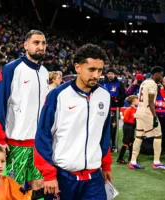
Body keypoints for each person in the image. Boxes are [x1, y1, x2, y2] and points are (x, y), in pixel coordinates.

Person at [35, 44, 112, 200]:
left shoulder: (104, 96)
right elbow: (43, 136)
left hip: (94, 179)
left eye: (100, 70)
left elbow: (104, 135)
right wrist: (49, 174)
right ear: (78, 67)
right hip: (63, 177)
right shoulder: (57, 95)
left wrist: (106, 165)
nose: (96, 75)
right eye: (91, 70)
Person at [0, 30, 49, 189]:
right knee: (12, 191)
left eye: (43, 43)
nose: (40, 47)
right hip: (15, 144)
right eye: (36, 43)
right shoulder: (12, 68)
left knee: (38, 189)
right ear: (26, 45)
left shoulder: (44, 72)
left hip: (39, 145)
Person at [129, 66, 165, 170]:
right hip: (147, 112)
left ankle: (133, 161)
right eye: (161, 74)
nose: (161, 77)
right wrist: (155, 117)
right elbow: (151, 102)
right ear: (156, 74)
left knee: (139, 136)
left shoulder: (144, 82)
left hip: (139, 111)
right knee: (159, 135)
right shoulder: (152, 84)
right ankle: (156, 162)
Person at [101, 68, 125, 152]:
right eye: (109, 73)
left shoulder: (119, 83)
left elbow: (123, 94)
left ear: (115, 75)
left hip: (115, 109)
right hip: (103, 109)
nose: (110, 75)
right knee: (103, 127)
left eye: (112, 73)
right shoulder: (102, 83)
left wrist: (117, 100)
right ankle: (104, 145)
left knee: (114, 127)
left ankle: (114, 145)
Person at [117, 95, 138, 164]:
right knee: (126, 142)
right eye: (137, 100)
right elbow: (125, 119)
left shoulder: (134, 109)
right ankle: (120, 158)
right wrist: (133, 119)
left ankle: (131, 158)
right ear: (133, 102)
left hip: (131, 126)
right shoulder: (129, 109)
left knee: (132, 141)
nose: (138, 101)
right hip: (128, 126)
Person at [156, 76, 165, 154]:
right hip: (159, 115)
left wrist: (163, 91)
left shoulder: (162, 91)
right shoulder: (157, 90)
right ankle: (162, 149)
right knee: (161, 133)